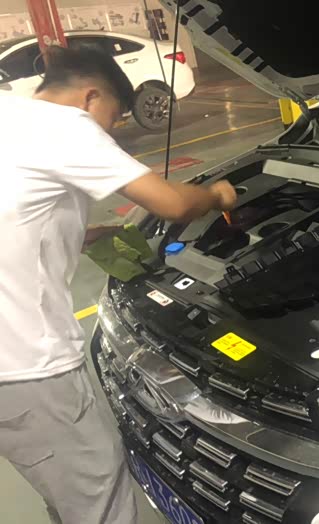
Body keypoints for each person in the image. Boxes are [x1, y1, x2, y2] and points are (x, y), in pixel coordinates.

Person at [0, 45, 237, 523]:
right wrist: (216, 194)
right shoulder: (66, 126)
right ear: (91, 97)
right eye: (113, 117)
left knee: (66, 491)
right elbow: (173, 203)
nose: (110, 130)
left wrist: (80, 234)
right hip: (28, 364)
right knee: (99, 500)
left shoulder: (10, 113)